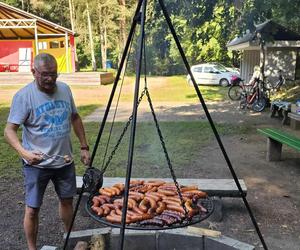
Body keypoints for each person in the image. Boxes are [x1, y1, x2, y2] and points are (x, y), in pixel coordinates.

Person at [4, 53, 90, 250]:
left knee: (67, 201)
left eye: (53, 74)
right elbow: (9, 131)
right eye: (45, 75)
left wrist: (84, 146)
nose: (50, 79)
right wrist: (24, 153)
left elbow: (75, 117)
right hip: (36, 165)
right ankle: (32, 248)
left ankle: (71, 239)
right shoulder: (24, 96)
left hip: (64, 161)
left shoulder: (65, 90)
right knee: (33, 209)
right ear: (33, 72)